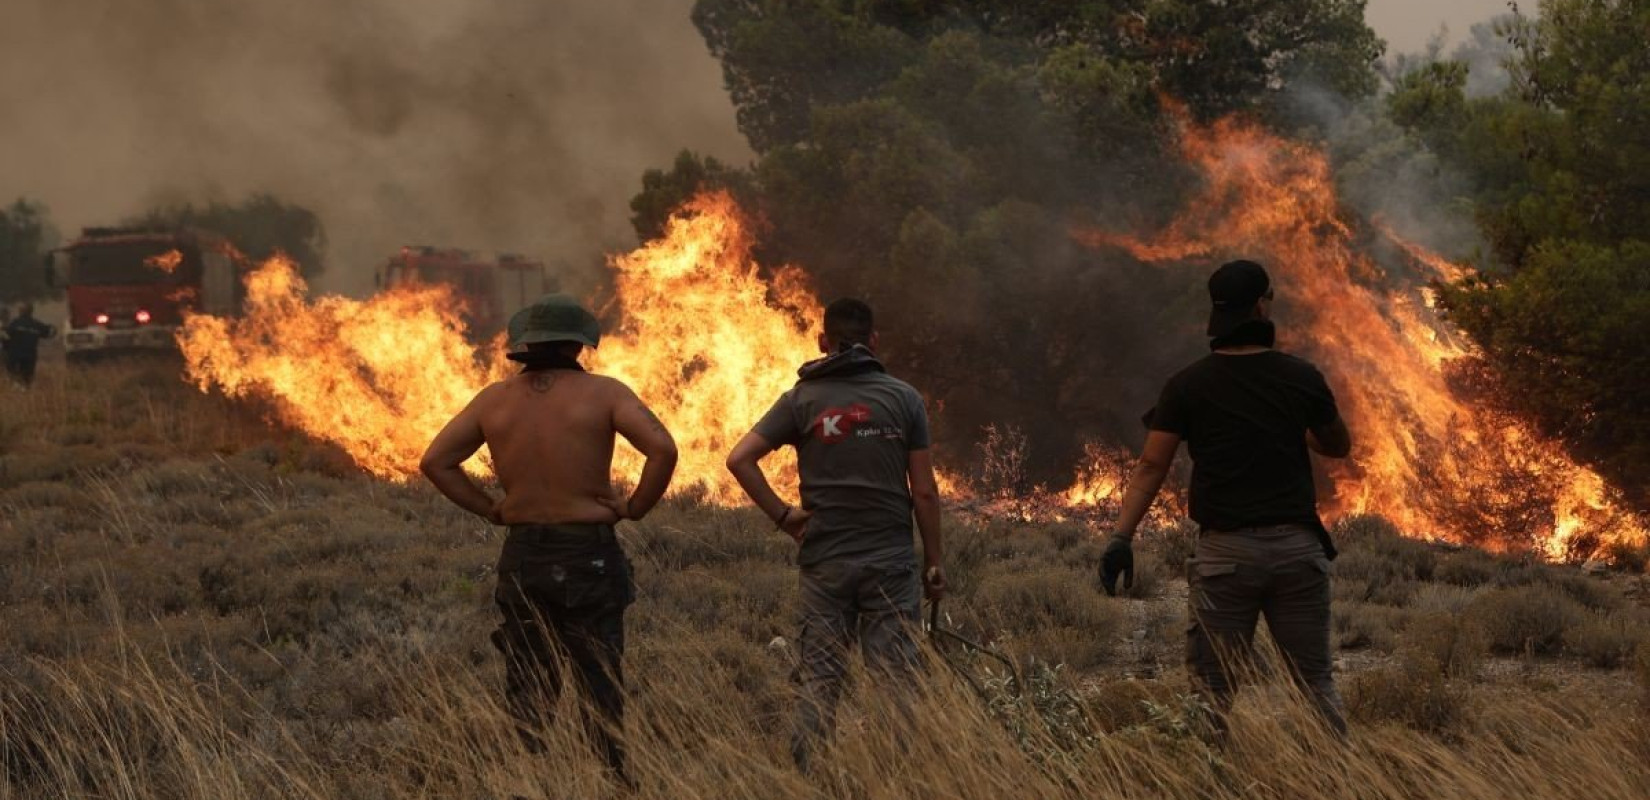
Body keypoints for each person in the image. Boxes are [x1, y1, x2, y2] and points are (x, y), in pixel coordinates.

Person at [419, 294, 677, 782]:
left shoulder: (493, 400)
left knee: (529, 677)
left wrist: (490, 507)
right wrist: (634, 508)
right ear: (578, 345)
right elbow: (662, 448)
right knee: (599, 676)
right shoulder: (605, 393)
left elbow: (436, 462)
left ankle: (528, 781)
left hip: (524, 555)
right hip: (588, 553)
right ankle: (611, 780)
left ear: (524, 345)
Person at [1102, 259, 1352, 738]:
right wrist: (1291, 427)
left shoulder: (1187, 384)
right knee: (1316, 684)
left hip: (1225, 558)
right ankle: (1337, 775)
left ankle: (1207, 774)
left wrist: (1121, 537)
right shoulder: (1301, 377)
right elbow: (1338, 445)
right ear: (1261, 306)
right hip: (1298, 553)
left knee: (1210, 692)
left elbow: (1152, 465)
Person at [725, 297, 946, 773]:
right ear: (875, 341)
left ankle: (807, 779)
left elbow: (739, 459)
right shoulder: (905, 399)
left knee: (821, 679)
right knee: (896, 678)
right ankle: (897, 779)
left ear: (823, 340)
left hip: (825, 564)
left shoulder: (801, 400)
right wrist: (934, 561)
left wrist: (784, 517)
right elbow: (925, 492)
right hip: (890, 564)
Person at [4, 303, 56, 388]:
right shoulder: (37, 325)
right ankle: (24, 388)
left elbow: (6, 335)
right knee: (27, 378)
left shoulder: (15, 323)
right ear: (31, 312)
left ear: (20, 311)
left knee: (13, 374)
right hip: (30, 356)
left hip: (14, 355)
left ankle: (16, 386)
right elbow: (50, 332)